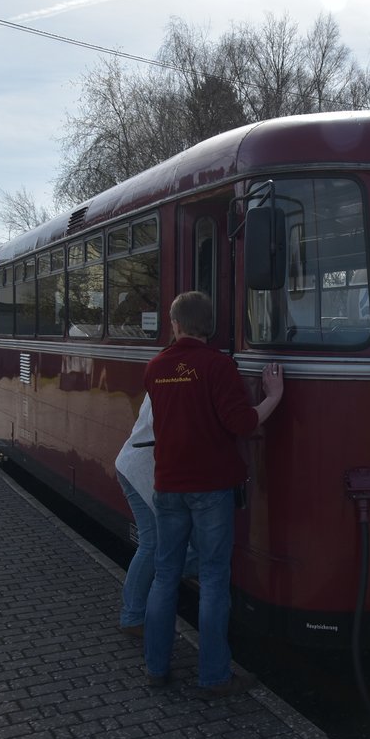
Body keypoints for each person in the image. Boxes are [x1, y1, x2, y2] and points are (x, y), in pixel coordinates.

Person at [143, 291, 284, 697]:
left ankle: (155, 667)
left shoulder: (154, 368)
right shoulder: (218, 367)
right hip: (211, 489)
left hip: (168, 485)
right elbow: (241, 423)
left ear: (175, 324)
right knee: (213, 579)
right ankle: (213, 676)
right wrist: (273, 395)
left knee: (165, 575)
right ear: (209, 325)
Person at [114, 396, 196, 637]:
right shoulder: (171, 378)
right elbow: (159, 422)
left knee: (158, 544)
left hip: (142, 470)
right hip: (140, 471)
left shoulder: (174, 373)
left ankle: (137, 612)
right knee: (152, 543)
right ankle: (132, 617)